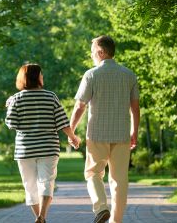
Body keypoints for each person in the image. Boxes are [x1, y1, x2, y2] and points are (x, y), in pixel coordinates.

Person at [69, 35, 140, 223]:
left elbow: (80, 106)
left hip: (97, 134)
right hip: (122, 135)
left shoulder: (91, 75)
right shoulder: (129, 75)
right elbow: (135, 107)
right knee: (119, 180)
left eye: (93, 52)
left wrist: (71, 130)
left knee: (93, 173)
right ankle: (116, 221)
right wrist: (135, 131)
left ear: (101, 52)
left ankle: (101, 207)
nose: (92, 56)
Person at [6, 63, 80, 223]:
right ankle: (42, 216)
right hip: (48, 148)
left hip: (25, 149)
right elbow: (62, 122)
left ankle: (39, 218)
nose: (42, 77)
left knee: (30, 185)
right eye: (41, 74)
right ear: (36, 77)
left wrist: (9, 105)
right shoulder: (50, 96)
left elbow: (11, 123)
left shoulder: (16, 99)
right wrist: (73, 137)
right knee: (47, 181)